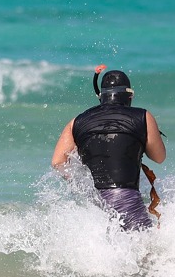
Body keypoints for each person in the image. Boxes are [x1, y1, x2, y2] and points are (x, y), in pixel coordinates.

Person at [51, 67, 166, 230]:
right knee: (144, 252)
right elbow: (159, 157)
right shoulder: (143, 116)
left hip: (93, 200)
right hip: (126, 198)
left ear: (101, 96)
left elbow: (58, 162)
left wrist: (83, 183)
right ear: (130, 96)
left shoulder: (76, 121)